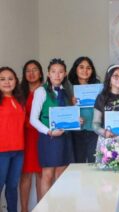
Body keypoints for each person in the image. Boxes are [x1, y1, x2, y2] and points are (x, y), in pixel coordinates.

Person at [30, 58, 73, 199]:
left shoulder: (66, 92)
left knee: (61, 175)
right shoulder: (41, 91)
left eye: (60, 72)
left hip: (65, 138)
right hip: (48, 138)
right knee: (47, 175)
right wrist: (49, 131)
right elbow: (33, 119)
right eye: (53, 72)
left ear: (65, 74)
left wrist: (76, 120)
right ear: (48, 74)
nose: (57, 75)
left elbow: (67, 116)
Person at [19, 60, 44, 212]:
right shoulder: (19, 92)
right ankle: (24, 209)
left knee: (41, 174)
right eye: (28, 70)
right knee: (25, 175)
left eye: (35, 70)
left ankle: (41, 208)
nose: (31, 73)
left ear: (41, 73)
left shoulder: (46, 90)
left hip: (41, 136)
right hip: (24, 137)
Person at [0, 67, 25, 212]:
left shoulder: (18, 100)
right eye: (2, 79)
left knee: (12, 187)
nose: (7, 82)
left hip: (18, 150)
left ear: (16, 80)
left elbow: (26, 123)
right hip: (1, 151)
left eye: (10, 78)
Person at [68, 57, 100, 163]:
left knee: (93, 163)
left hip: (94, 130)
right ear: (75, 69)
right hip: (76, 131)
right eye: (81, 67)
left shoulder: (98, 86)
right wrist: (71, 104)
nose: (85, 71)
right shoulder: (68, 87)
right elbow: (62, 111)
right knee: (78, 165)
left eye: (88, 68)